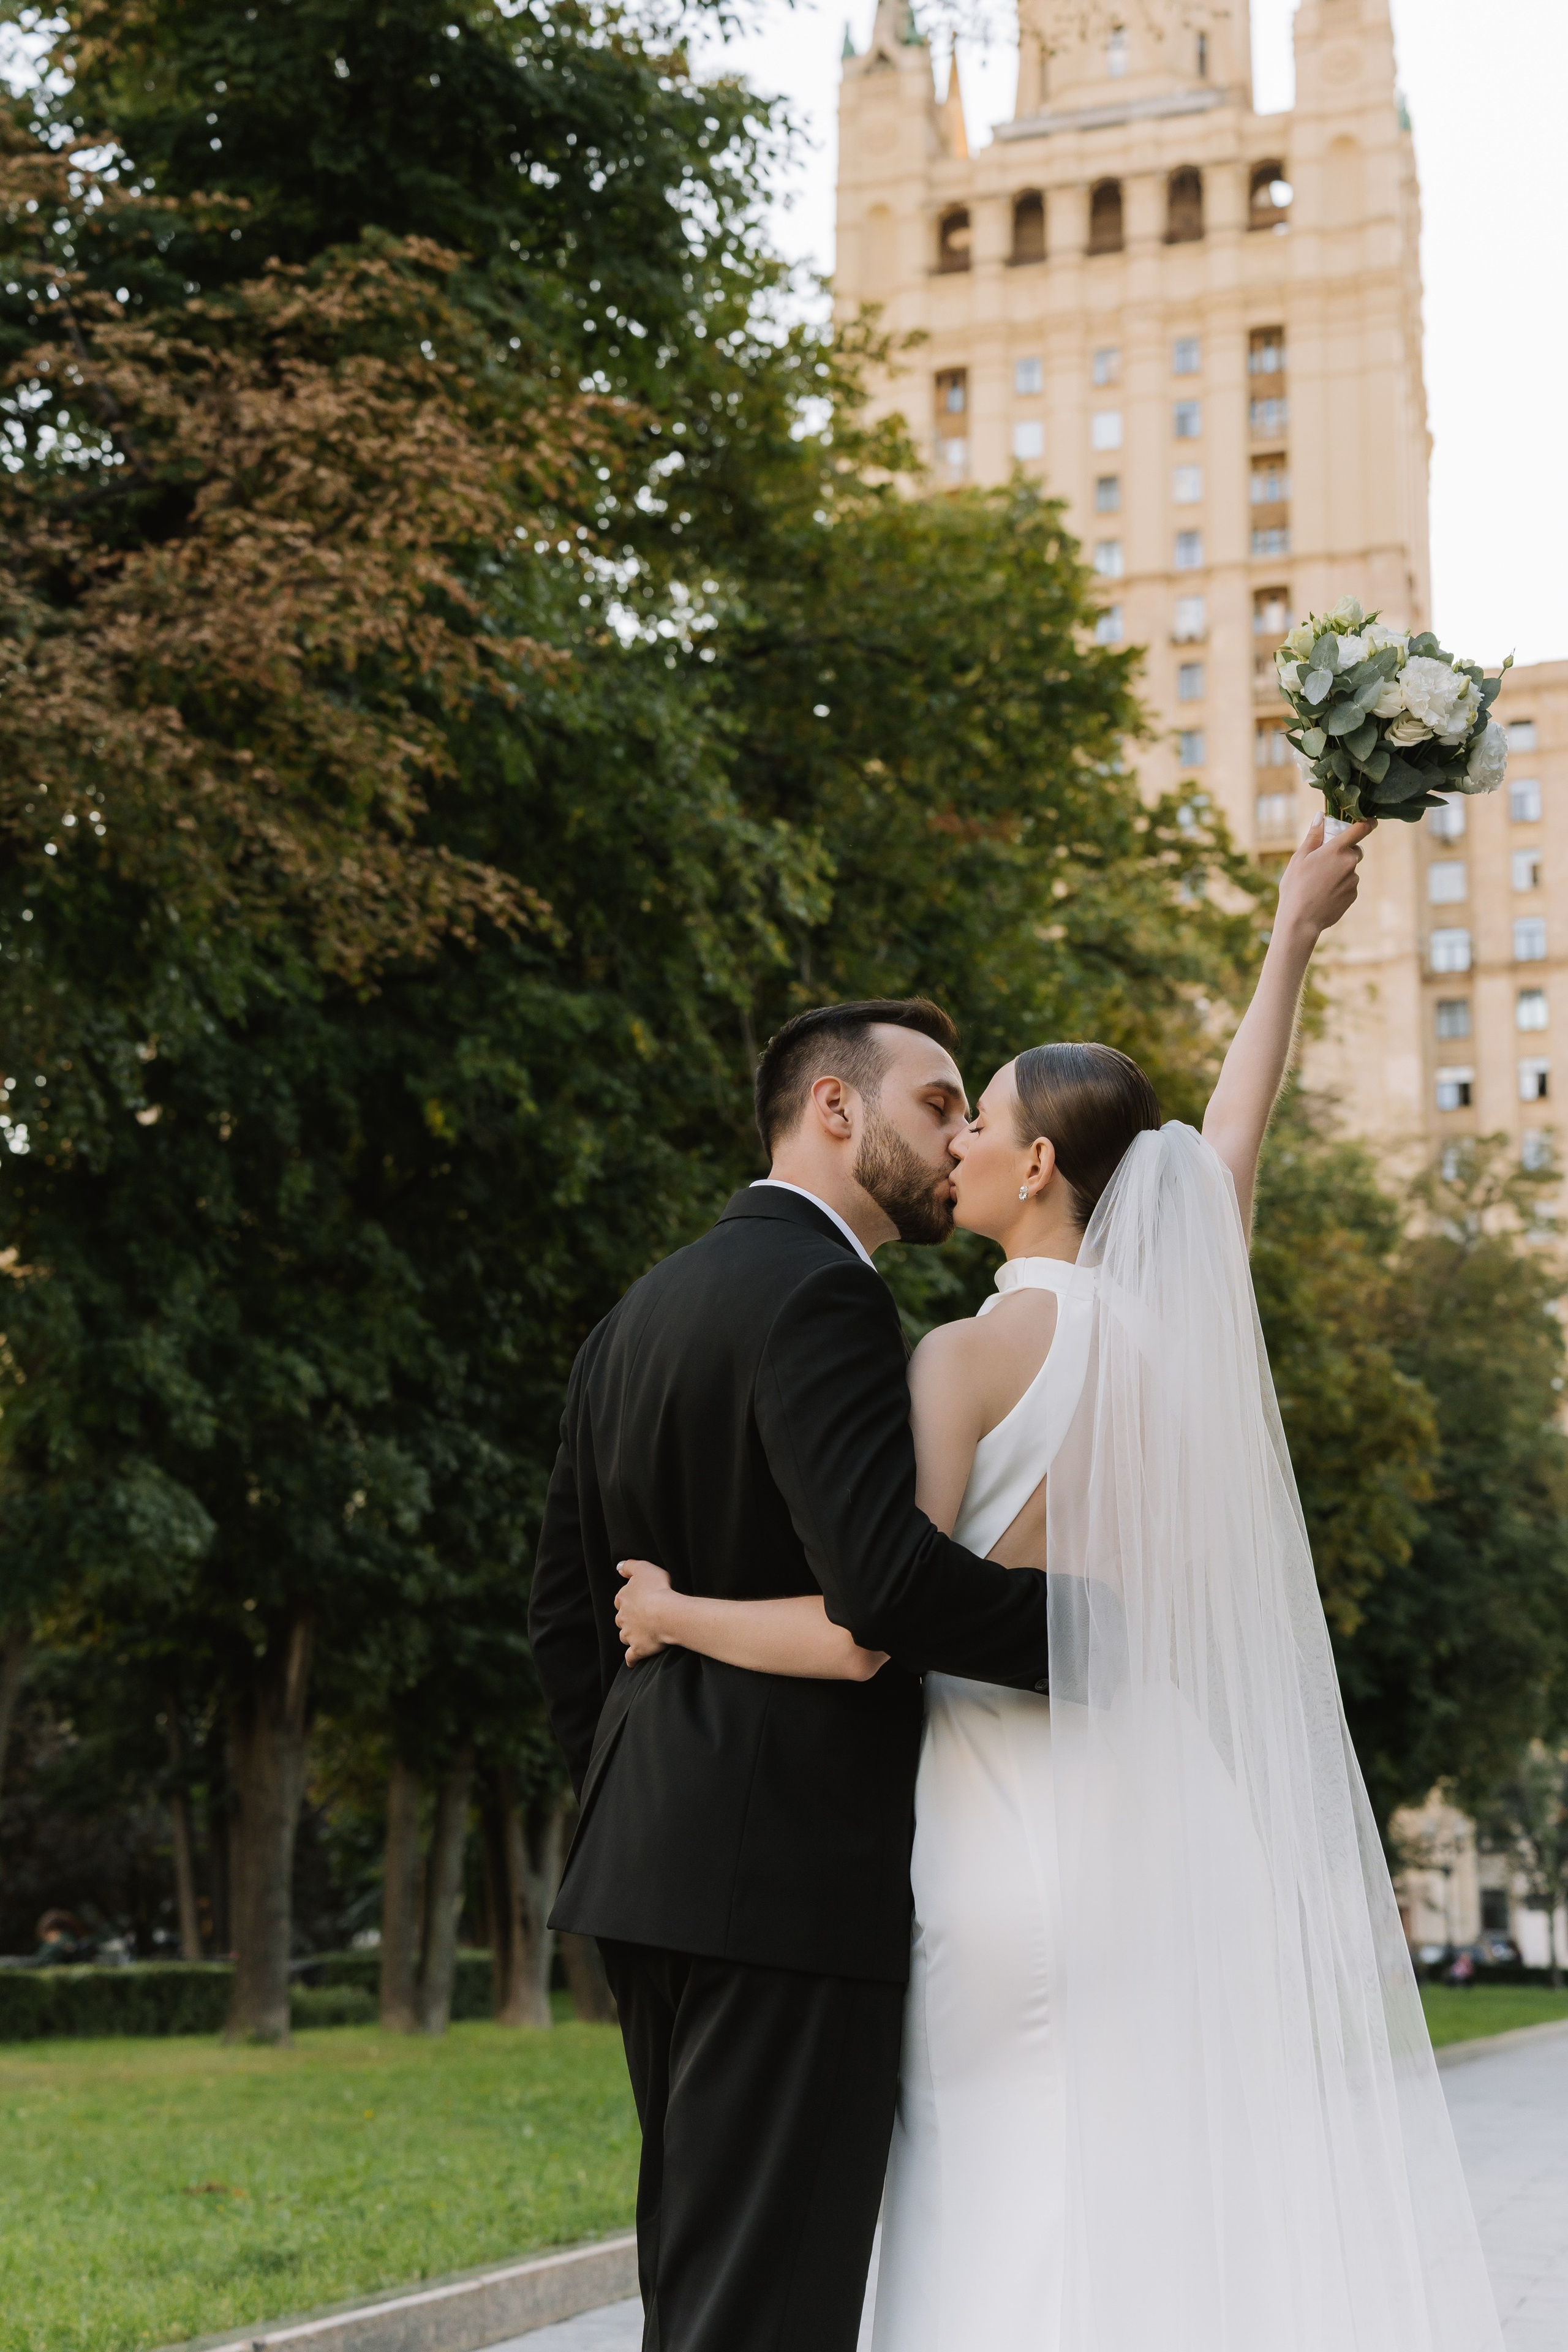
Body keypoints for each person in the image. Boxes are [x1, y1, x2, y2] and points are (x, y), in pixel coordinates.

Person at [612, 815, 1505, 2352]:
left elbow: (863, 1630)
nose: (948, 1143)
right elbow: (1228, 1135)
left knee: (994, 2187)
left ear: (1034, 1164)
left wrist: (670, 1612)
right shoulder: (1181, 1318)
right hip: (1175, 1831)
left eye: (977, 1122)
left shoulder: (956, 1358)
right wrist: (1288, 933)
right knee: (1163, 2195)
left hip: (997, 1842)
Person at [530, 993, 1063, 2352]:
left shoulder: (633, 1315)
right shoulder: (823, 1293)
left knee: (703, 2279)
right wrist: (1097, 1634)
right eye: (936, 1104)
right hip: (784, 1878)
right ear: (835, 1108)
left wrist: (642, 1785)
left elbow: (562, 1619)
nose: (954, 1140)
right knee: (767, 2305)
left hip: (650, 1865)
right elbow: (878, 1583)